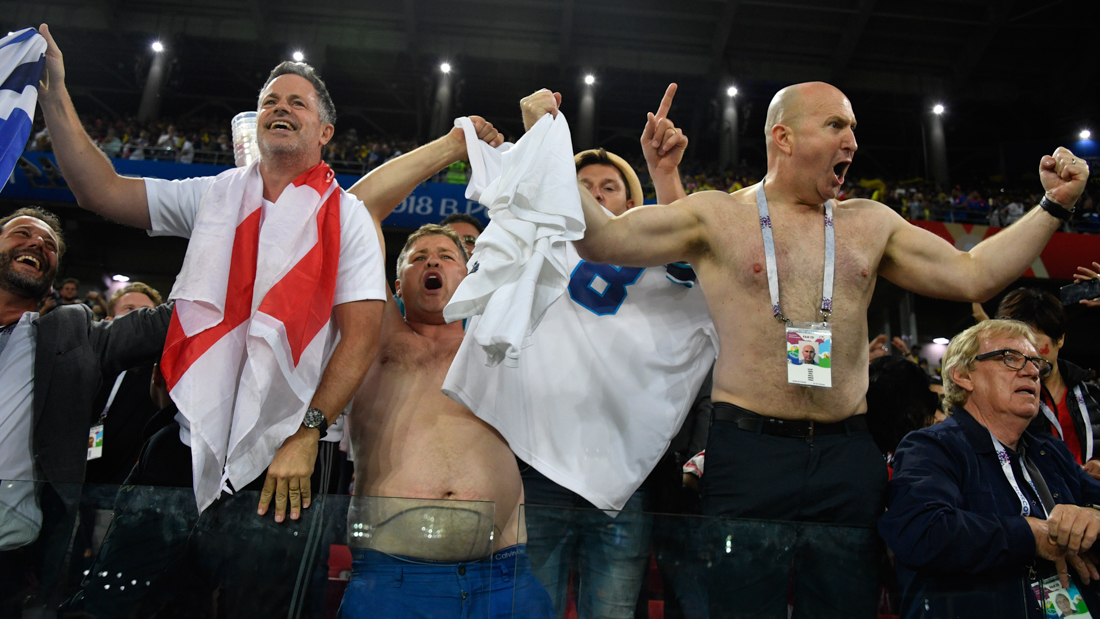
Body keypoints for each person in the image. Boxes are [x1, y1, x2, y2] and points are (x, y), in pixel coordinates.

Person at [545, 79, 1089, 616]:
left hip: (846, 455)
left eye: (852, 127)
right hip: (750, 453)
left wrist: (1053, 204)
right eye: (835, 125)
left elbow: (973, 273)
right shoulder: (717, 216)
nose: (852, 140)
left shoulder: (870, 224)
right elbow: (602, 239)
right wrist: (548, 139)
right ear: (783, 137)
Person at [36, 24, 385, 524]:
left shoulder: (348, 217)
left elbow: (361, 338)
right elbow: (101, 191)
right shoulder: (214, 195)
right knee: (129, 574)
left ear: (325, 132)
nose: (281, 108)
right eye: (270, 102)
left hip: (289, 451)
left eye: (297, 103)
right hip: (190, 434)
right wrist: (54, 97)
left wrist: (308, 432)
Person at [444, 85, 716, 619]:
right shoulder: (536, 239)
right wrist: (538, 143)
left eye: (608, 187)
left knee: (610, 612)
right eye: (582, 185)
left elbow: (693, 250)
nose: (593, 194)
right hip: (536, 463)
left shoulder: (662, 261)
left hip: (623, 473)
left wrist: (664, 175)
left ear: (633, 205)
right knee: (532, 609)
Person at [340, 225, 553, 619]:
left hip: (503, 578)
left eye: (446, 256)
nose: (432, 262)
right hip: (394, 579)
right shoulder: (376, 340)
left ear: (469, 277)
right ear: (397, 286)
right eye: (418, 258)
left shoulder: (502, 345)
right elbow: (361, 213)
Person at [0, 207, 172, 615]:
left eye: (49, 245)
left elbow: (169, 320)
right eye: (21, 233)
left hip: (10, 555)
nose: (37, 243)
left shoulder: (71, 338)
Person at [878, 319, 1100, 619]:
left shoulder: (1050, 451)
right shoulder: (931, 448)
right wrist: (1032, 534)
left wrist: (1093, 516)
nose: (1033, 371)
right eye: (1010, 358)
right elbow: (922, 532)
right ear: (963, 375)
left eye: (1036, 363)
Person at [996, 288, 1100, 480]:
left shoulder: (1093, 395)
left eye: (1033, 340)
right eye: (1015, 344)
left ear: (1059, 339)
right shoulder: (1002, 401)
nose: (1025, 352)